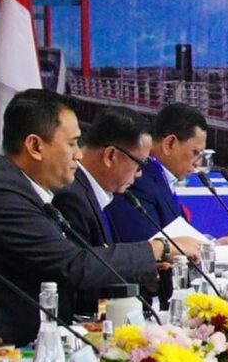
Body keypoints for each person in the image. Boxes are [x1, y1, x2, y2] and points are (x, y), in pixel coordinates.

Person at [0, 91, 198, 344]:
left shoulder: (22, 189)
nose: (79, 154)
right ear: (35, 146)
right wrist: (160, 247)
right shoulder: (1, 195)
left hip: (28, 343)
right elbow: (73, 265)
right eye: (72, 143)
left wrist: (144, 272)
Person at [56, 109, 156, 256]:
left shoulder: (92, 191)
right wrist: (155, 250)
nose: (139, 174)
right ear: (110, 155)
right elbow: (85, 265)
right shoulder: (70, 198)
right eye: (140, 164)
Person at [110, 102, 206, 245]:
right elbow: (145, 247)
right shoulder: (137, 181)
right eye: (195, 153)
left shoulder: (160, 179)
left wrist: (214, 246)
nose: (197, 163)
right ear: (169, 144)